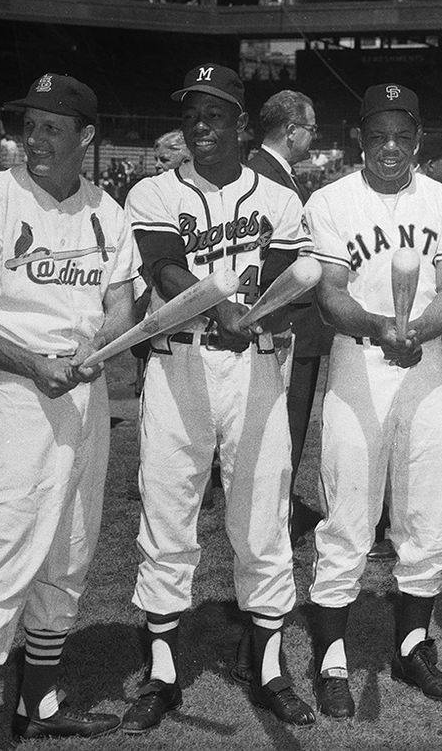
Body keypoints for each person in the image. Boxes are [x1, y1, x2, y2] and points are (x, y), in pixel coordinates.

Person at [0, 73, 138, 751]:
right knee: (2, 552)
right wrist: (31, 361)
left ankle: (40, 697)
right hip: (15, 396)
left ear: (87, 138)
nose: (35, 137)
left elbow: (120, 303)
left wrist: (102, 339)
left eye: (53, 126)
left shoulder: (108, 209)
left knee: (71, 546)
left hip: (82, 393)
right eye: (30, 123)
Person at [122, 64, 315, 733]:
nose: (199, 126)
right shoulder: (152, 191)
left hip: (256, 368)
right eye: (191, 113)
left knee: (263, 519)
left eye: (214, 114)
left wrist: (268, 312)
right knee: (168, 517)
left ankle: (268, 667)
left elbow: (295, 279)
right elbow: (167, 267)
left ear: (240, 123)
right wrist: (221, 307)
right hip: (179, 370)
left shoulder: (282, 197)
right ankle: (164, 673)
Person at [304, 83, 442, 718]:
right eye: (378, 136)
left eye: (402, 137)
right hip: (359, 360)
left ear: (418, 138)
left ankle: (412, 645)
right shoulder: (329, 200)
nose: (390, 148)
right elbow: (330, 291)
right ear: (360, 137)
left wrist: (418, 332)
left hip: (425, 362)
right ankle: (331, 660)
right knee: (348, 509)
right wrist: (382, 327)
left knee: (427, 509)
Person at [249, 90, 334, 538]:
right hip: (286, 320)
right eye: (311, 128)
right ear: (292, 131)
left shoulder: (267, 172)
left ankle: (274, 506)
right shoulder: (267, 177)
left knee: (285, 423)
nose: (313, 137)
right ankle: (275, 511)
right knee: (286, 423)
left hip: (289, 318)